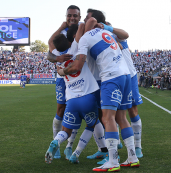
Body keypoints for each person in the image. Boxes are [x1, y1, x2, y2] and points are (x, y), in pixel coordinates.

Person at [61, 14, 139, 171]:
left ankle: (113, 161)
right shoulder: (105, 32)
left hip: (110, 78)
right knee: (121, 118)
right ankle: (132, 157)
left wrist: (63, 71)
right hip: (125, 75)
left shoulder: (84, 39)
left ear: (79, 32)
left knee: (107, 118)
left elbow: (77, 66)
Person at [45, 21, 100, 164]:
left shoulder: (57, 56)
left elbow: (51, 41)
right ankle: (76, 153)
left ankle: (56, 141)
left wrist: (63, 26)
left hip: (71, 100)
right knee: (91, 125)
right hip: (88, 95)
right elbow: (82, 27)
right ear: (70, 42)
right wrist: (80, 22)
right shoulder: (75, 48)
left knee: (66, 131)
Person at [46, 5, 81, 159]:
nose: (72, 18)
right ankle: (57, 145)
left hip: (80, 76)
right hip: (62, 78)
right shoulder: (62, 32)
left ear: (79, 17)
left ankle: (69, 146)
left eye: (75, 16)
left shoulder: (82, 30)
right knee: (61, 110)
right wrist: (58, 58)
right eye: (69, 15)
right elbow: (49, 52)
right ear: (66, 16)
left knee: (76, 112)